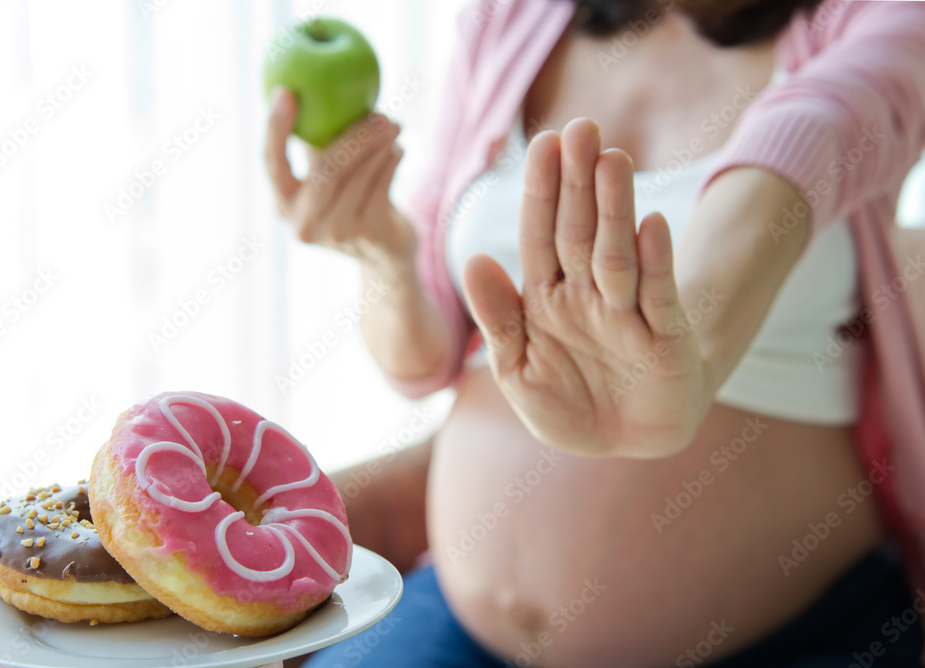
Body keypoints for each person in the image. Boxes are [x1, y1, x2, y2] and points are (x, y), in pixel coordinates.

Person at [264, 0, 925, 666]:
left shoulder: (882, 17)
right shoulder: (510, 17)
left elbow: (813, 133)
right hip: (459, 627)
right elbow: (423, 358)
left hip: (796, 637)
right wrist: (382, 255)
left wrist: (687, 351)